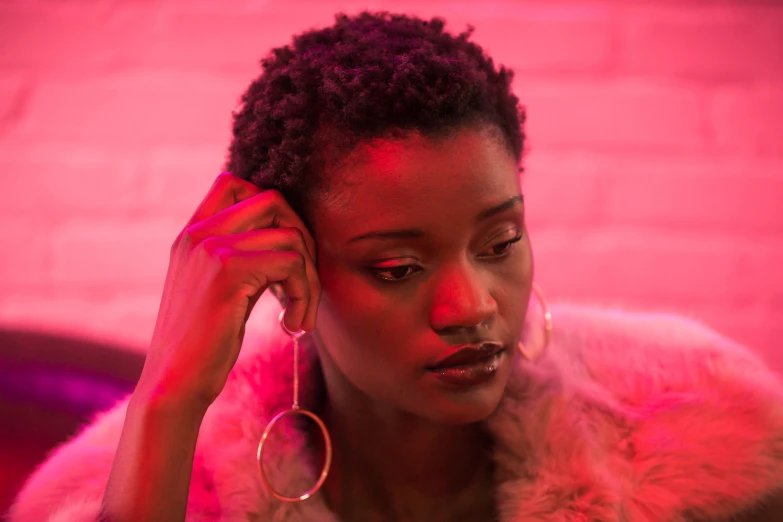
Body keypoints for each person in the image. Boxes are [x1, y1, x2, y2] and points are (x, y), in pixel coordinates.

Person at [9, 11, 783, 522]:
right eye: (399, 267)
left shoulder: (704, 436)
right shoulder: (159, 484)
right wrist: (169, 396)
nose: (471, 305)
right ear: (294, 275)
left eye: (499, 243)